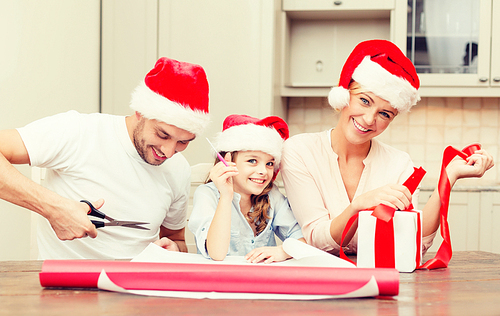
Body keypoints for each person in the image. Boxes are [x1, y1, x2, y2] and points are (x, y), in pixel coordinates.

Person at [280, 39, 494, 256]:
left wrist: (450, 175)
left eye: (385, 114)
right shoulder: (299, 151)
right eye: (364, 101)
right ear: (345, 94)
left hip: (381, 278)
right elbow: (317, 239)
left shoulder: (399, 164)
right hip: (319, 278)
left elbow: (413, 243)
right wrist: (359, 205)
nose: (369, 119)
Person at [0, 57, 210, 259]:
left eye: (183, 142)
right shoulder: (78, 131)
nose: (169, 151)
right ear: (140, 112)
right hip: (64, 289)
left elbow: (175, 238)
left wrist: (174, 249)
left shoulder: (178, 169)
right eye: (162, 135)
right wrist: (53, 208)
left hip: (136, 289)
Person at [188, 114, 305, 263]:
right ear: (227, 161)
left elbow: (303, 239)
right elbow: (217, 254)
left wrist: (283, 251)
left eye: (269, 163)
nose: (263, 171)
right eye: (252, 161)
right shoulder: (207, 195)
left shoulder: (272, 195)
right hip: (219, 282)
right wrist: (225, 196)